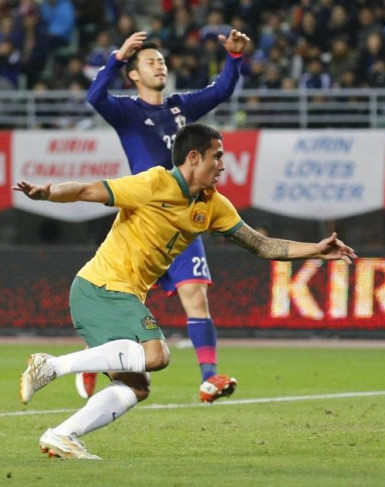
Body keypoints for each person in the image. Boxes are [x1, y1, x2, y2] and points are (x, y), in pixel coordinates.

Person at [15, 123, 357, 460]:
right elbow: (87, 190)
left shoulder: (212, 205)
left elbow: (261, 245)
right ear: (194, 157)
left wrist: (317, 250)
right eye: (217, 157)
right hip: (101, 287)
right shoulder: (153, 183)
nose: (223, 165)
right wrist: (49, 193)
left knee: (137, 386)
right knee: (157, 355)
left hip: (116, 295)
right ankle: (52, 366)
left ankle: (63, 434)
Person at [83, 30, 250, 402]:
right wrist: (117, 56)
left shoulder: (180, 107)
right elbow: (94, 96)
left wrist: (234, 59)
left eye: (161, 61)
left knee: (195, 295)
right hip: (142, 220)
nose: (159, 66)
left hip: (183, 220)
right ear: (135, 75)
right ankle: (95, 362)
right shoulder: (126, 111)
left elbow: (221, 90)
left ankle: (209, 378)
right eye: (149, 62)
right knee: (126, 306)